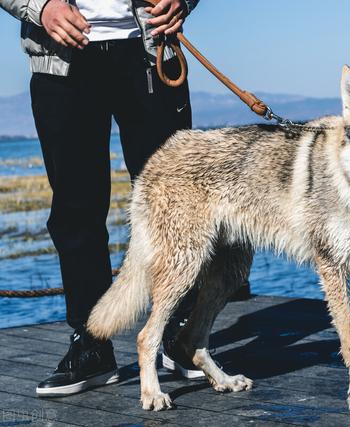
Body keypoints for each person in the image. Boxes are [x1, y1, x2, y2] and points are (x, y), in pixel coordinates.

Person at [0, 0, 207, 396]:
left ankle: (181, 333)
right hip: (61, 57)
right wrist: (39, 7)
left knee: (178, 207)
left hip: (147, 51)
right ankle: (91, 344)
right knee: (75, 208)